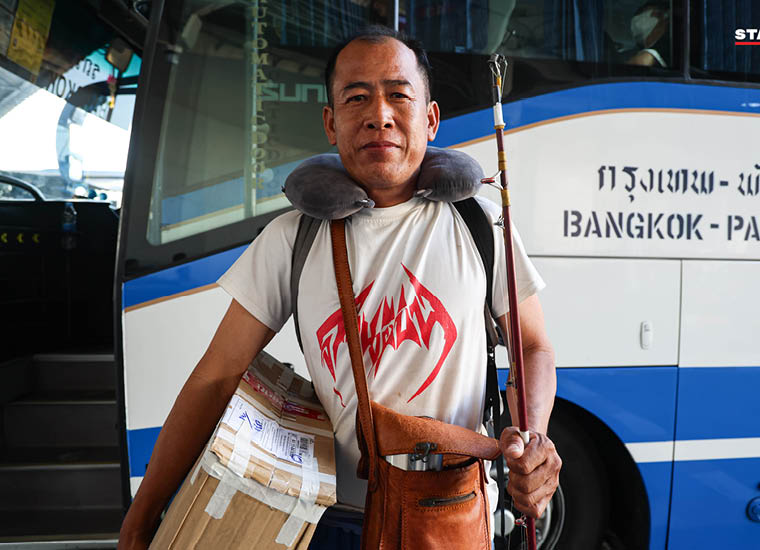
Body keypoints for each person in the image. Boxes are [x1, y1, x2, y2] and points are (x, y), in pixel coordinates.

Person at [118, 25, 560, 549]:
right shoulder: (292, 237)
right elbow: (215, 379)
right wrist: (143, 514)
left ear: (431, 118)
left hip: (451, 511)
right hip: (336, 520)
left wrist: (534, 437)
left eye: (399, 95)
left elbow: (532, 345)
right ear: (331, 123)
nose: (379, 114)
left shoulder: (482, 226)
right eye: (357, 97)